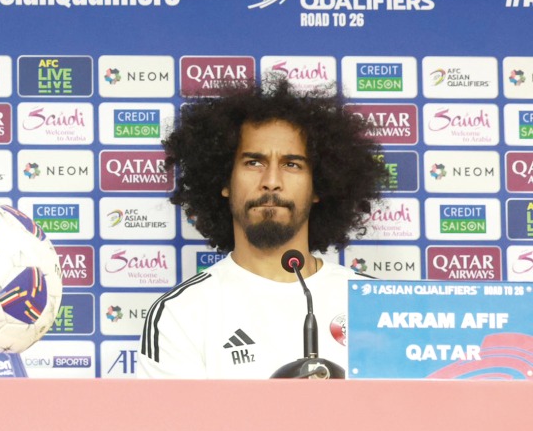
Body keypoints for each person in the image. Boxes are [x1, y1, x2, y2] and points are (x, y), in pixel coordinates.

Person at [137, 78, 387, 379]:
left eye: (291, 164)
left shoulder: (375, 302)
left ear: (318, 186)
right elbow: (178, 426)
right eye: (254, 162)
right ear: (225, 181)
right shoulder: (182, 313)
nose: (271, 180)